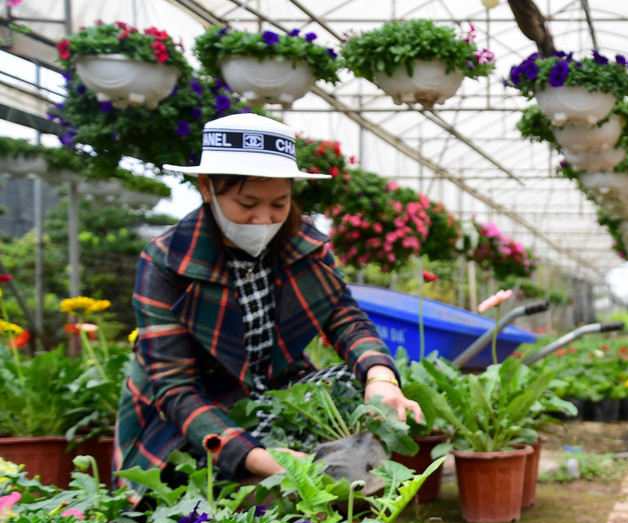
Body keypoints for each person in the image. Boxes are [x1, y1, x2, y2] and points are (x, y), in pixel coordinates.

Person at [115, 114, 421, 487]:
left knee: (352, 385)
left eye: (279, 203)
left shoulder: (303, 243)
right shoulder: (168, 261)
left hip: (274, 396)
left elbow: (345, 318)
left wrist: (381, 378)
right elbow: (176, 389)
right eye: (247, 204)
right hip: (191, 411)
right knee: (196, 497)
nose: (263, 219)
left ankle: (342, 492)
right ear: (206, 187)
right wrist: (260, 459)